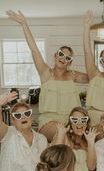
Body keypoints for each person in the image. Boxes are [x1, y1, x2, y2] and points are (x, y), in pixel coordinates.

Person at [6, 10, 89, 142]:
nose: (63, 58)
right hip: (49, 121)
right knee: (63, 136)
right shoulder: (46, 73)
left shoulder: (73, 76)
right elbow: (34, 49)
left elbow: (95, 76)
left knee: (79, 139)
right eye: (61, 54)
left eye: (67, 57)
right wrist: (24, 24)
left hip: (71, 120)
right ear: (55, 56)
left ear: (70, 62)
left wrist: (86, 29)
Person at [51, 106, 99, 171]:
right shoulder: (63, 136)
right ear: (70, 123)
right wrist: (60, 135)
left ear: (87, 123)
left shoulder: (88, 139)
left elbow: (91, 167)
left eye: (83, 120)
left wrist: (91, 143)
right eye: (75, 120)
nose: (79, 123)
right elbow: (55, 160)